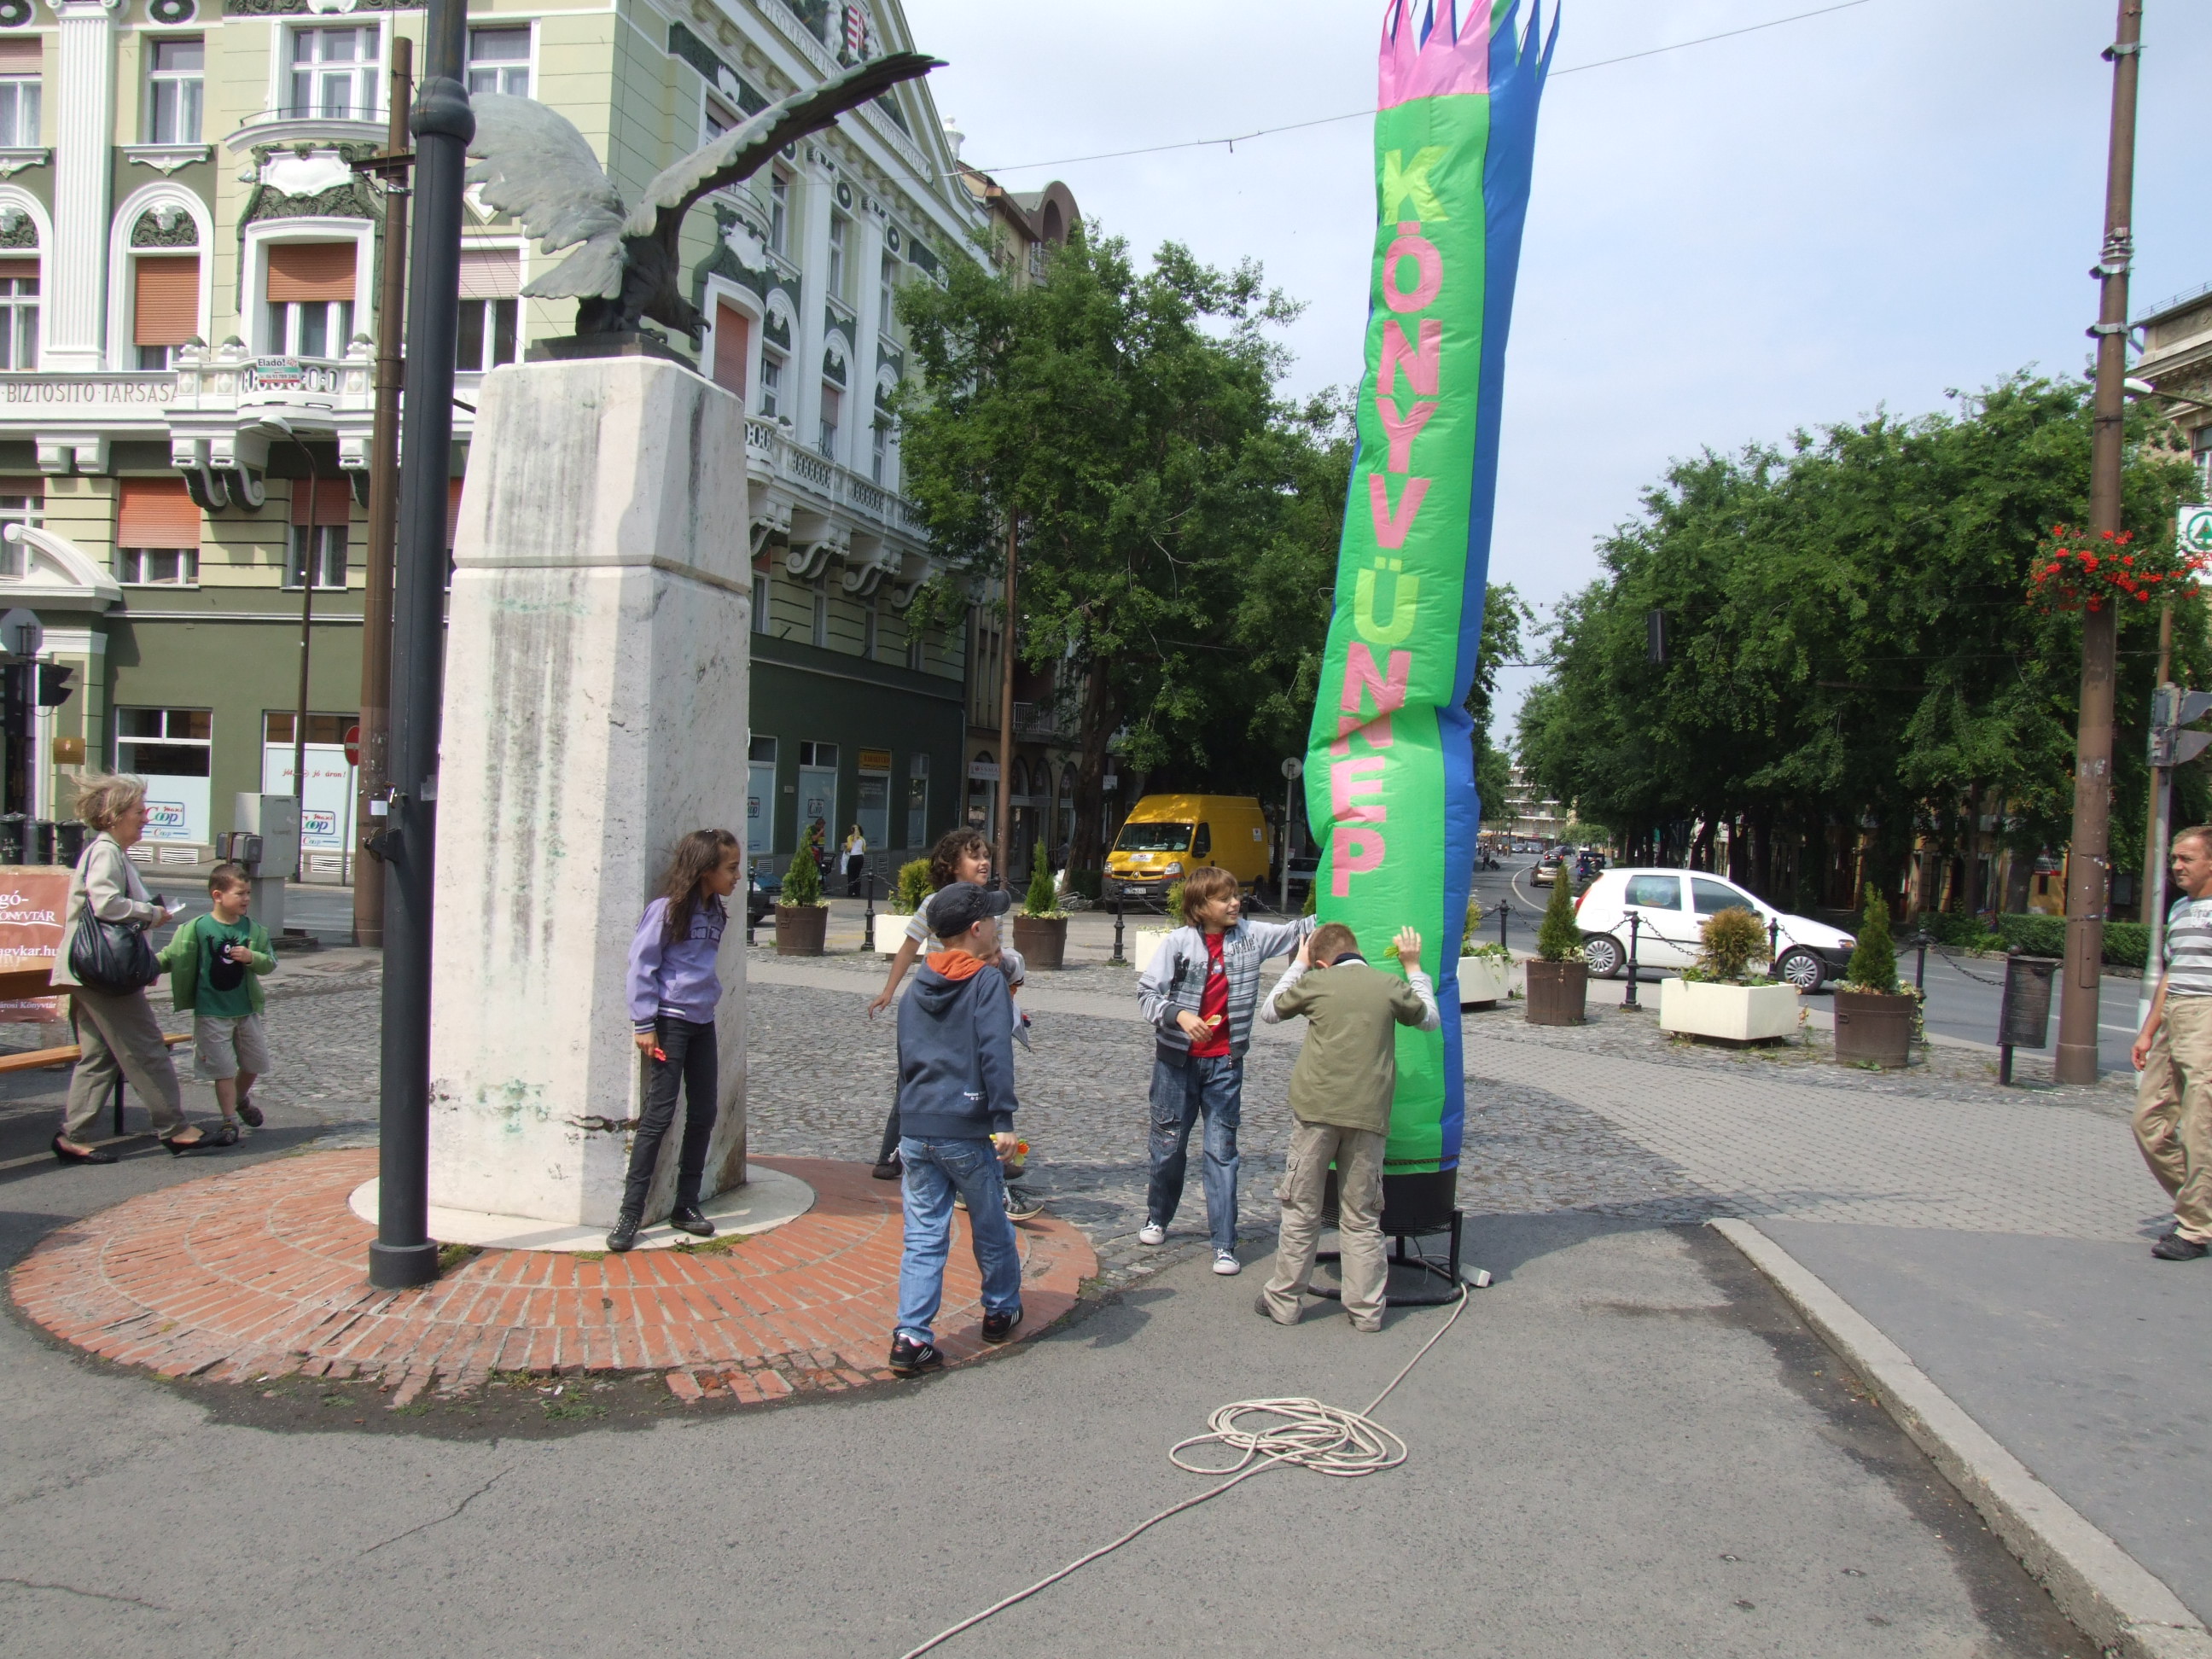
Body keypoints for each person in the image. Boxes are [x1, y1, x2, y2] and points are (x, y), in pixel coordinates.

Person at [1254, 920, 1441, 1330]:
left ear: (1322, 962)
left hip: (1315, 1111)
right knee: (1361, 1216)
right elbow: (1429, 1019)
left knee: (1301, 1209)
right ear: (1358, 951)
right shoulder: (1387, 985)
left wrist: (1299, 964)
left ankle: (1284, 1302)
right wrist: (1413, 966)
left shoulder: (1317, 982)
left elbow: (1270, 1011)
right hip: (1368, 1114)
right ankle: (1367, 1311)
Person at [1135, 866, 1313, 1275]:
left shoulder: (1251, 936)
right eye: (1224, 898)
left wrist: (1345, 882)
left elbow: (1301, 930)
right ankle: (1158, 1217)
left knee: (1222, 1151)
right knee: (1168, 1147)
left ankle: (1224, 1244)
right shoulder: (1178, 943)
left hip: (1225, 1064)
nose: (1235, 903)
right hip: (1176, 1064)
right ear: (1200, 907)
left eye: (1236, 895)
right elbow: (1146, 994)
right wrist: (1179, 1016)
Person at [888, 881, 1025, 1377]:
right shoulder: (986, 983)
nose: (999, 927)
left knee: (924, 1234)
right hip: (966, 1128)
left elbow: (906, 1058)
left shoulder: (917, 984)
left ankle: (910, 1337)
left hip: (917, 1127)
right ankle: (1000, 1308)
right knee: (990, 1223)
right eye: (994, 921)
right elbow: (995, 1051)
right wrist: (1003, 1119)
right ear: (976, 929)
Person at [865, 828, 1039, 1219]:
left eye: (986, 855)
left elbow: (993, 956)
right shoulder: (936, 904)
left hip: (976, 998)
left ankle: (986, 1154)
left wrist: (1004, 989)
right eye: (974, 856)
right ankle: (893, 1153)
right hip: (941, 1000)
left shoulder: (991, 908)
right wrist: (889, 990)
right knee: (921, 1080)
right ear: (952, 865)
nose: (984, 862)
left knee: (974, 1079)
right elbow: (909, 948)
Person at [49, 773, 223, 1162]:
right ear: (115, 815)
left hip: (88, 972)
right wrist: (151, 913)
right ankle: (175, 1128)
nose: (146, 817)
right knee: (146, 1048)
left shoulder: (108, 851)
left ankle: (72, 1136)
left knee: (100, 1055)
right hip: (103, 974)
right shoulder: (107, 852)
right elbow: (106, 904)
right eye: (139, 811)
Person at [608, 828, 740, 1253]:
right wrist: (643, 1023)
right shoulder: (666, 911)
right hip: (670, 1023)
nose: (737, 876)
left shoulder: (716, 911)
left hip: (703, 1021)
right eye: (731, 868)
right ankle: (630, 1213)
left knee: (704, 1112)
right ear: (705, 870)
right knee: (659, 1115)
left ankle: (686, 1203)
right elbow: (641, 965)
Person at [2132, 824, 2212, 1260]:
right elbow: (2171, 973)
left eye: (2187, 858)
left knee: (2200, 1127)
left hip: (2207, 1016)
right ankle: (2199, 1206)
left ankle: (2196, 1228)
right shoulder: (2180, 909)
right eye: (2175, 858)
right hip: (2174, 1016)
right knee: (2148, 1123)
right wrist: (2148, 1031)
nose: (2177, 866)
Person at [157, 861, 276, 1137]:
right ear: (218, 895)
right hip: (211, 1012)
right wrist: (144, 968)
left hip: (245, 1010)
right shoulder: (196, 928)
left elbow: (269, 963)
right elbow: (170, 956)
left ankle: (239, 1099)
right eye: (240, 893)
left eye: (248, 893)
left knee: (254, 1064)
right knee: (223, 1070)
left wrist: (252, 957)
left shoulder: (253, 930)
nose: (246, 898)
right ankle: (229, 1120)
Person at [841, 824, 868, 898]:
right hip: (860, 857)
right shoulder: (862, 839)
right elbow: (864, 849)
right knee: (857, 874)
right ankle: (857, 892)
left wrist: (846, 848)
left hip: (853, 857)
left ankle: (850, 892)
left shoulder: (850, 837)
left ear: (852, 830)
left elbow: (850, 847)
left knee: (851, 875)